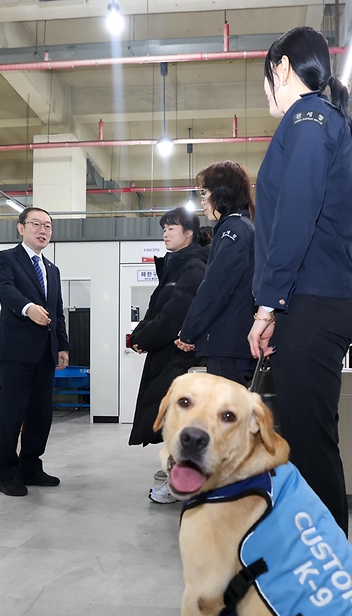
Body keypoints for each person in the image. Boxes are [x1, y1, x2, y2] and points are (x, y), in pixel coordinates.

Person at [248, 26, 352, 537]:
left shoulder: (308, 119)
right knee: (304, 434)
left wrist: (266, 305)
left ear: (282, 68)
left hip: (312, 300)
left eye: (264, 78)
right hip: (313, 299)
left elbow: (295, 216)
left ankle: (327, 570)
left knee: (310, 442)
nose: (263, 91)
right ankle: (317, 556)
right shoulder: (318, 121)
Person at [127, 207, 208, 504]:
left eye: (171, 227)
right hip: (167, 356)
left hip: (180, 360)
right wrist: (139, 336)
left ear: (189, 233)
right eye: (164, 228)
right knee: (172, 421)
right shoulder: (175, 266)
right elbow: (156, 310)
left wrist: (144, 339)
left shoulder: (194, 267)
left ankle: (180, 484)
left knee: (177, 423)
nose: (165, 233)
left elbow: (175, 315)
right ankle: (176, 474)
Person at [0, 207, 70, 497]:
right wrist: (27, 309)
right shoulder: (5, 259)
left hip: (46, 352)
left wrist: (62, 345)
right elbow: (5, 288)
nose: (43, 230)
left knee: (41, 414)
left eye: (48, 226)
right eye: (36, 224)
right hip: (16, 351)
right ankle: (7, 474)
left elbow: (57, 310)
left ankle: (31, 467)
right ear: (21, 228)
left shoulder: (52, 269)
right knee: (12, 414)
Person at [175, 161, 256, 386]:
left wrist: (189, 332)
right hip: (231, 343)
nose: (202, 201)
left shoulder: (233, 231)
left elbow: (215, 288)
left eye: (205, 192)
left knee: (226, 415)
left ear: (222, 193)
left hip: (229, 345)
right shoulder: (239, 228)